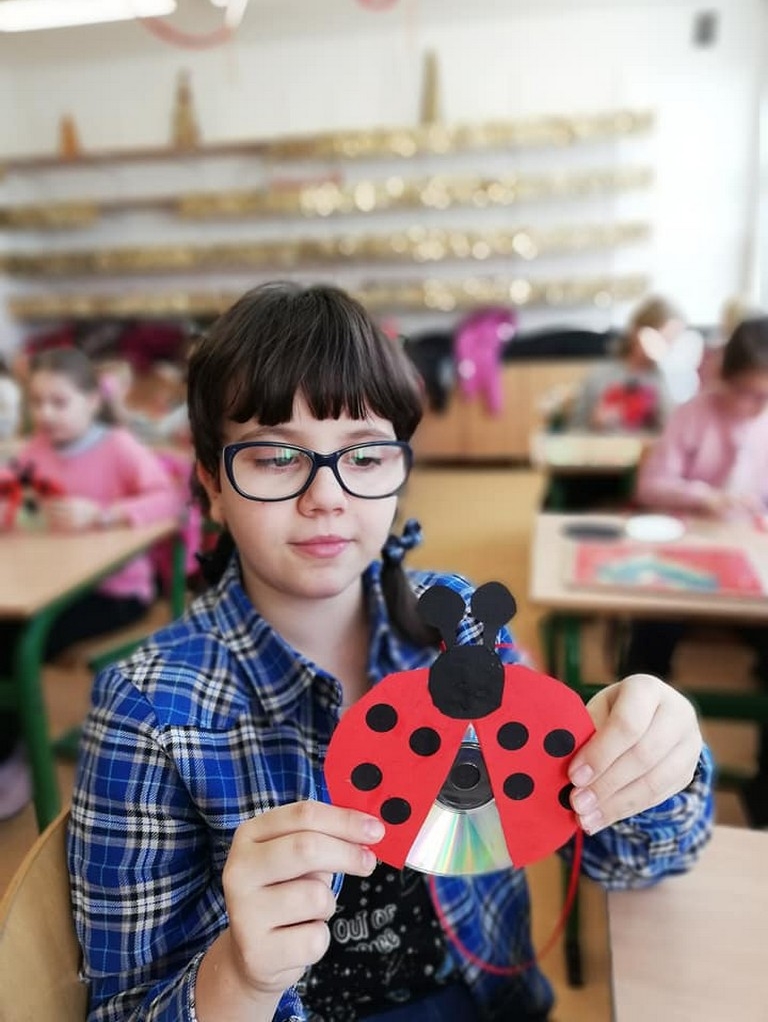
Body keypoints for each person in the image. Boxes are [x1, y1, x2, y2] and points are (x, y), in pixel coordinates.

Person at [68, 283, 712, 1022]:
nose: (327, 496)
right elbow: (123, 1005)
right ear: (212, 484)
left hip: (485, 1000)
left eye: (366, 455)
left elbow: (622, 859)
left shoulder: (463, 625)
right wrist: (239, 978)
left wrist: (655, 767)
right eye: (276, 457)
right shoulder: (148, 709)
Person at [0, 346, 181, 820]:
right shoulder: (37, 448)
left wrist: (102, 514)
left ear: (91, 401)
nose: (46, 414)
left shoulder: (118, 447)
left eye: (59, 402)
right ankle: (11, 745)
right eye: (37, 402)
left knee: (16, 647)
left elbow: (168, 500)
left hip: (116, 592)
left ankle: (14, 760)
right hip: (53, 584)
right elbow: (9, 484)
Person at [628, 316, 768, 828]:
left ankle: (761, 794)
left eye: (764, 397)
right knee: (652, 631)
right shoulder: (694, 414)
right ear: (725, 378)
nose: (754, 406)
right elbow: (651, 485)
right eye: (747, 393)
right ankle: (640, 760)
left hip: (751, 562)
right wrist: (705, 497)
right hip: (686, 557)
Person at [568, 295, 683, 434]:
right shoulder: (600, 374)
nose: (666, 347)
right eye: (662, 338)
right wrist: (594, 422)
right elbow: (576, 427)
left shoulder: (662, 380)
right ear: (637, 330)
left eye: (671, 341)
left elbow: (672, 430)